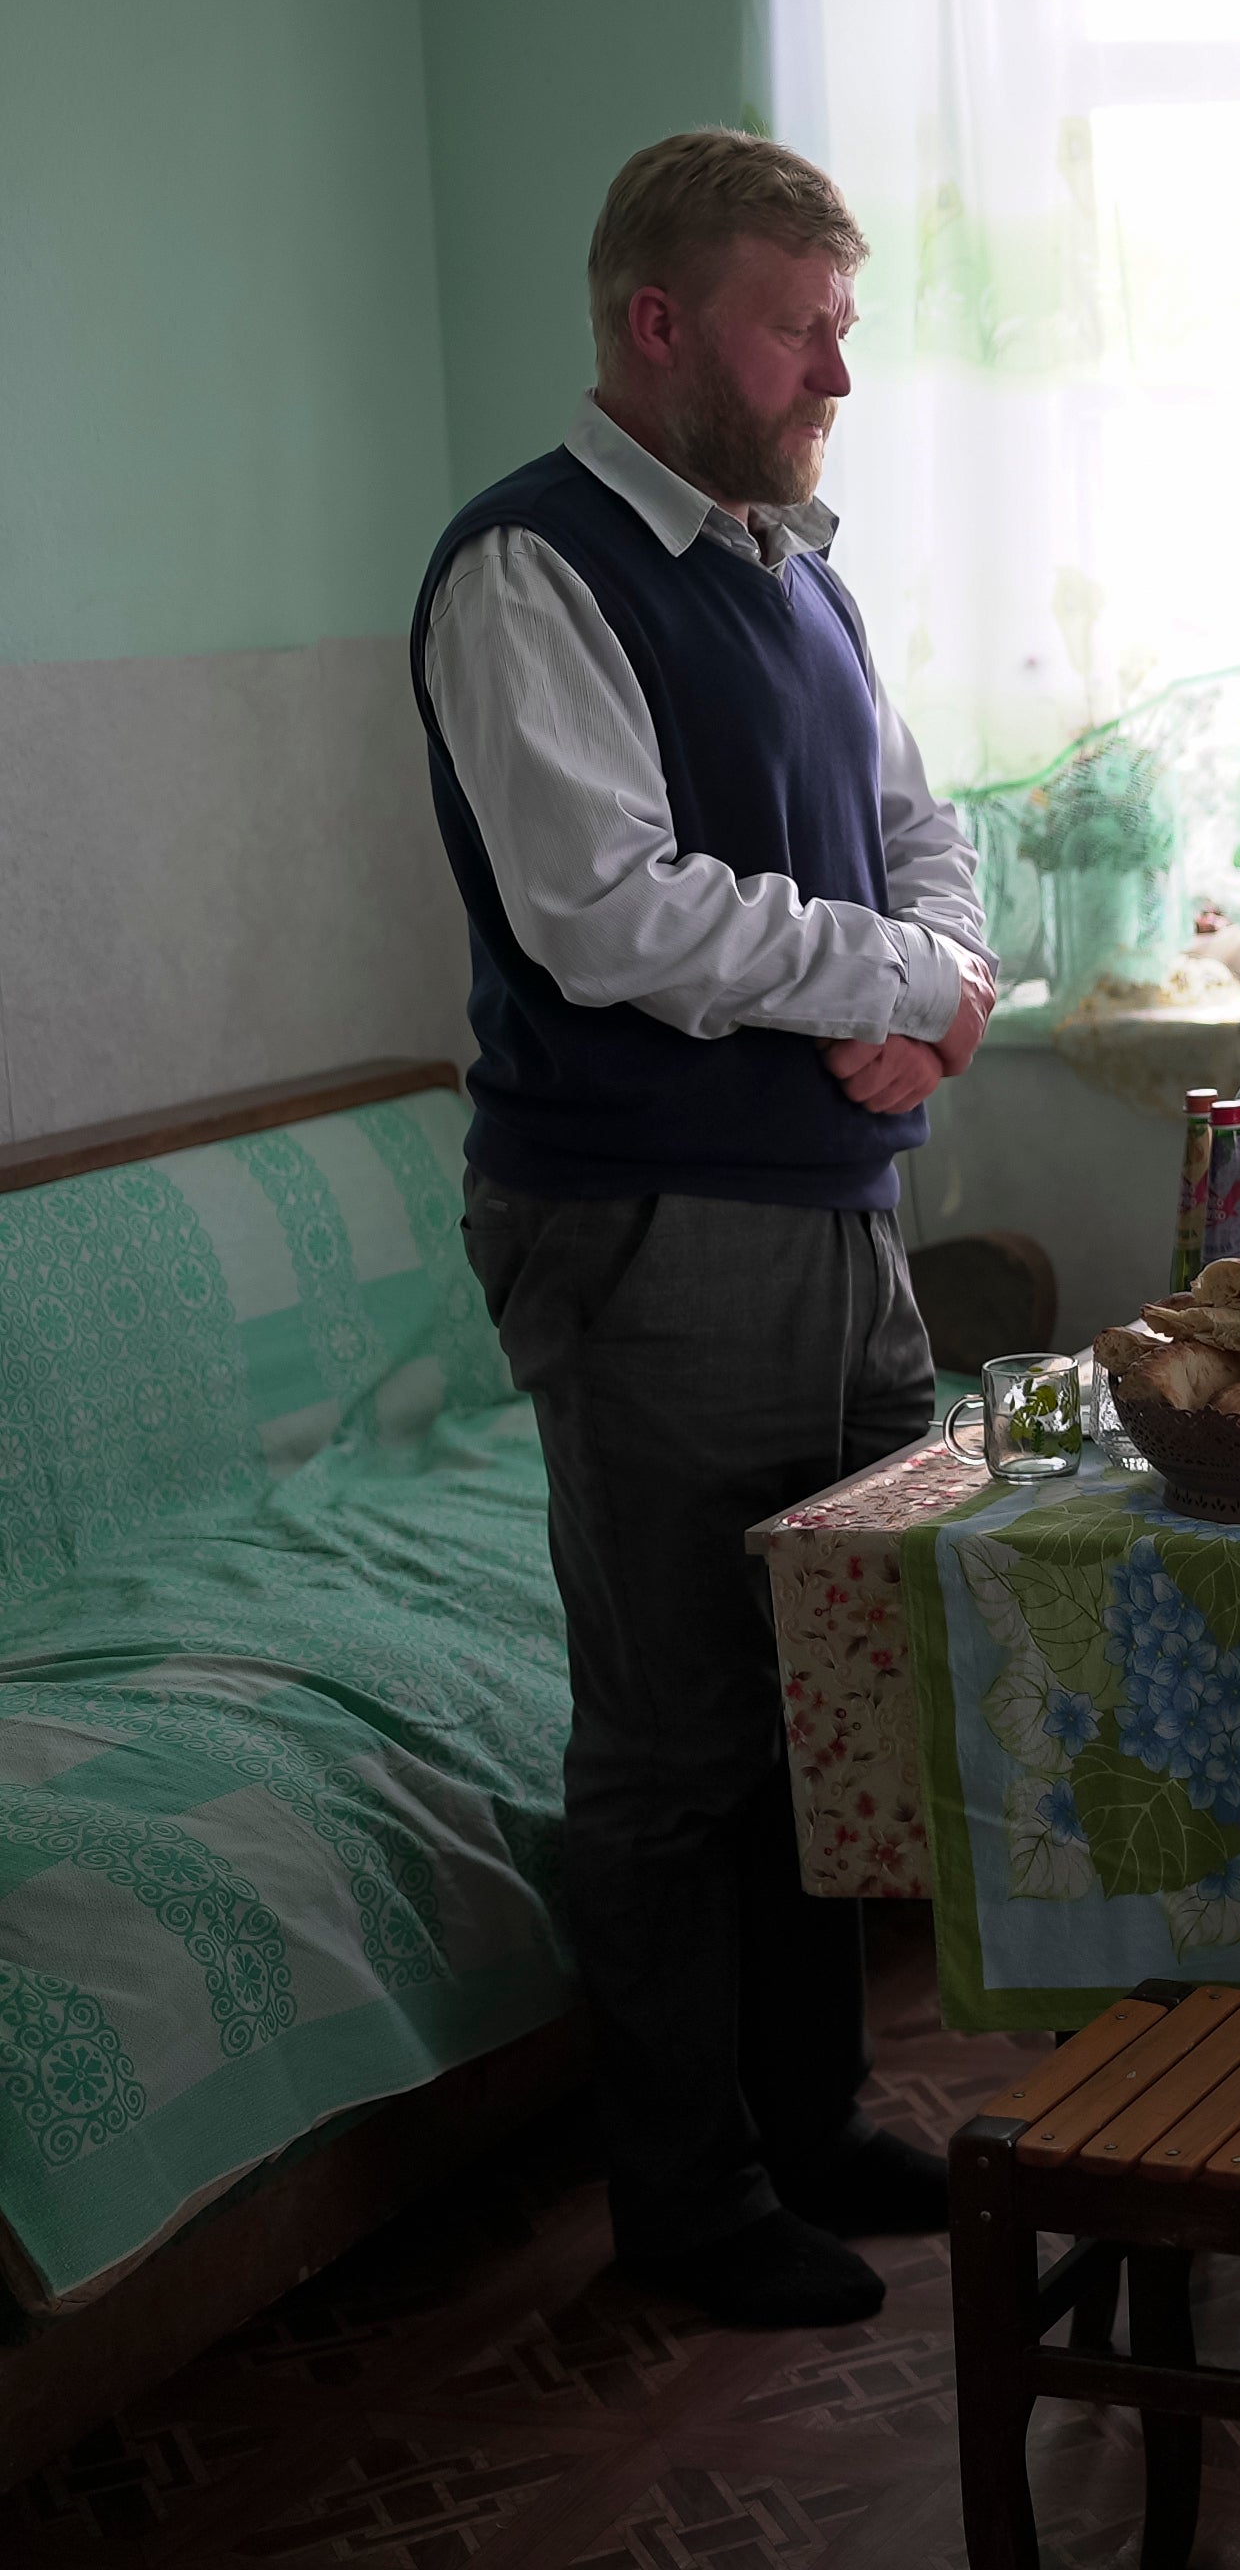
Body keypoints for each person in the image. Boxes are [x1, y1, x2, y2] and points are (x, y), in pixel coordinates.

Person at [412, 130, 998, 2329]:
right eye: (795, 318)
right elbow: (605, 913)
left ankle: (812, 2113)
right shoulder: (527, 569)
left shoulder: (802, 570)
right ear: (658, 328)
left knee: (829, 1689)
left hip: (837, 1213)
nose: (837, 363)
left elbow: (924, 834)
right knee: (673, 1738)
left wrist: (941, 992)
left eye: (840, 318)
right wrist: (896, 985)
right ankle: (683, 2198)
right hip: (645, 1221)